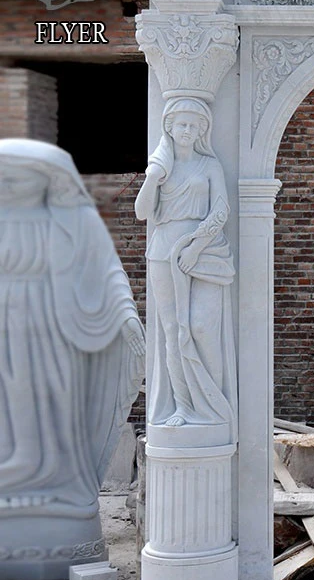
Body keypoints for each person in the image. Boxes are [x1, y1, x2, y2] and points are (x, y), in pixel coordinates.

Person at [0, 139, 144, 512]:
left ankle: (59, 489)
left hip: (58, 336)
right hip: (11, 331)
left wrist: (127, 317)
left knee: (58, 412)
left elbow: (109, 272)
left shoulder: (75, 221)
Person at [135, 96, 237, 431]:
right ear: (170, 126)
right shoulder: (162, 169)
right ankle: (182, 405)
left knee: (201, 326)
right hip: (163, 251)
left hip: (203, 251)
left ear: (202, 131)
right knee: (172, 331)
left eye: (194, 126)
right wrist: (153, 175)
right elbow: (141, 212)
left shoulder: (209, 166)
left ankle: (211, 405)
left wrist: (196, 245)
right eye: (182, 124)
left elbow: (221, 210)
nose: (187, 130)